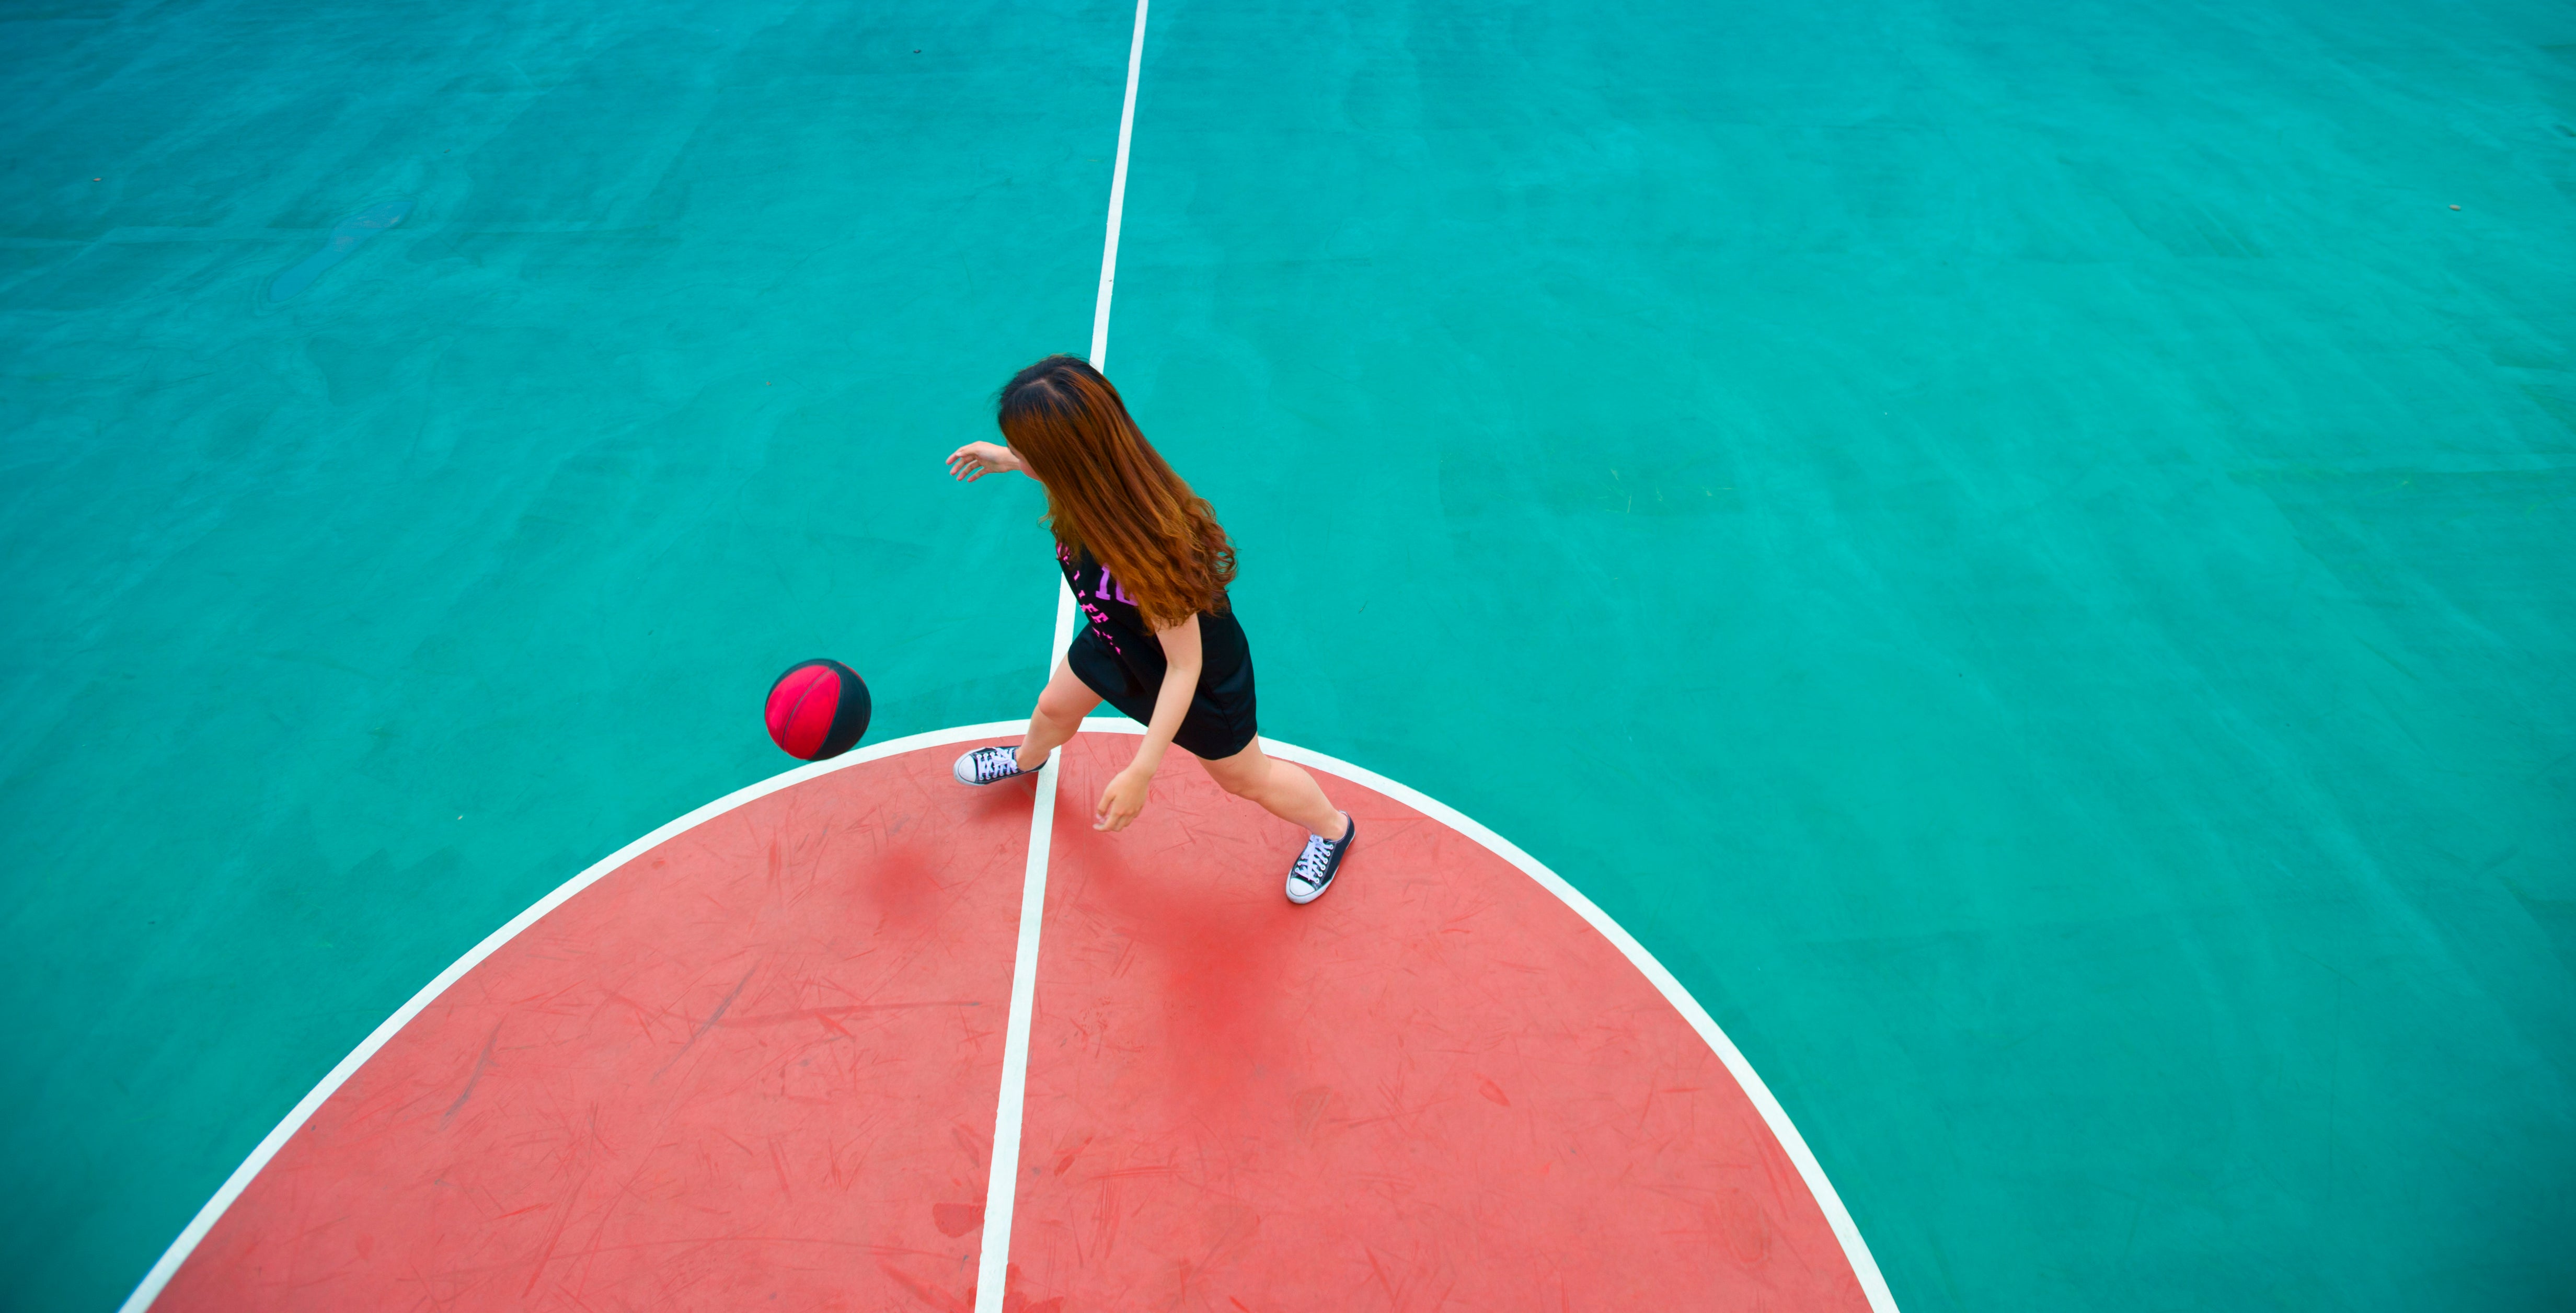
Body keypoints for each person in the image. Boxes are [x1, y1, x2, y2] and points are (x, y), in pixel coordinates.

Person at [944, 355, 1355, 904]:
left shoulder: (1148, 548)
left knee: (1244, 778)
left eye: (1025, 452)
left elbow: (1184, 667)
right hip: (1120, 640)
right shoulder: (1087, 487)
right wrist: (1005, 459)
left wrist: (1141, 770)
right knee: (1052, 708)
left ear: (1066, 462)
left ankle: (1332, 828)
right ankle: (1027, 759)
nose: (1018, 458)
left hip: (1197, 681)